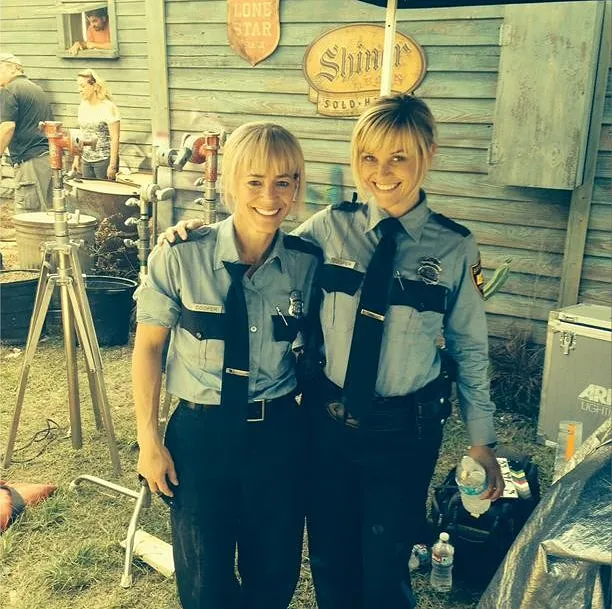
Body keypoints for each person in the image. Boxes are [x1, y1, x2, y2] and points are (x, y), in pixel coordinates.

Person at [160, 94, 505, 609]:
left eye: (399, 157)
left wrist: (481, 440)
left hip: (404, 431)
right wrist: (197, 234)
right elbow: (262, 245)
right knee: (330, 559)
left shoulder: (454, 246)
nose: (382, 173)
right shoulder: (328, 228)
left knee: (387, 563)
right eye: (369, 157)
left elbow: (470, 347)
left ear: (428, 154)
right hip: (327, 427)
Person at [133, 122, 321, 609]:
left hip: (278, 434)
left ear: (297, 186)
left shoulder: (306, 264)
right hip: (202, 437)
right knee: (204, 585)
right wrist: (149, 440)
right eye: (254, 181)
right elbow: (149, 348)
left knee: (273, 576)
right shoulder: (181, 256)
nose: (270, 197)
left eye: (283, 182)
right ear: (230, 182)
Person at [0, 53, 53, 212]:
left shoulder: (10, 90)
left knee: (28, 215)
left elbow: (7, 127)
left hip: (29, 161)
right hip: (46, 158)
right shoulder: (36, 89)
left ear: (12, 68)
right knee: (45, 213)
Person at [71, 69, 120, 180]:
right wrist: (76, 158)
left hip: (104, 161)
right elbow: (81, 135)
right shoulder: (82, 106)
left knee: (104, 190)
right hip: (86, 160)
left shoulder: (108, 107)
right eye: (78, 86)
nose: (79, 90)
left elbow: (115, 137)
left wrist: (112, 165)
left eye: (83, 86)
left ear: (94, 86)